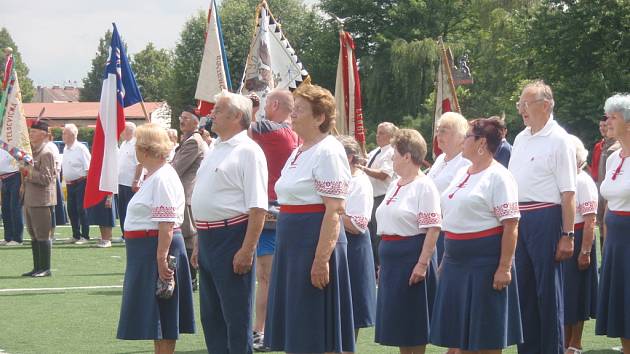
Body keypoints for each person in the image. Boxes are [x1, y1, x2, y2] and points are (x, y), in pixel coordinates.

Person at [264, 84, 355, 353]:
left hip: (313, 245)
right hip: (292, 245)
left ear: (319, 117)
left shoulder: (328, 151)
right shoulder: (299, 150)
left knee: (315, 326)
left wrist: (320, 260)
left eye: (300, 110)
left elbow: (334, 210)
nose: (292, 114)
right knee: (299, 326)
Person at [430, 118, 522, 352]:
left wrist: (504, 268)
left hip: (484, 264)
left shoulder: (499, 176)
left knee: (485, 336)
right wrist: (446, 258)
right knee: (457, 337)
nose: (463, 140)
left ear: (481, 142)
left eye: (467, 136)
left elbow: (511, 225)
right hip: (455, 262)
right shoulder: (463, 172)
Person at [190, 90, 268, 354]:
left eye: (219, 110)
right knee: (212, 318)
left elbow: (258, 207)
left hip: (232, 235)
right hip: (209, 237)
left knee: (236, 317)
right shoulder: (215, 147)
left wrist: (247, 249)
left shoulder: (248, 151)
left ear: (236, 116)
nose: (212, 113)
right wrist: (200, 243)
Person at [508, 80, 576, 354]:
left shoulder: (560, 140)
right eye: (519, 103)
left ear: (545, 105)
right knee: (523, 290)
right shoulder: (521, 138)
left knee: (547, 293)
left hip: (545, 217)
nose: (521, 109)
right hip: (520, 218)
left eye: (526, 103)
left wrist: (567, 235)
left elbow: (568, 192)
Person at [116, 123, 195, 354]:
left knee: (164, 312)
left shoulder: (162, 177)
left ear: (145, 149)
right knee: (158, 313)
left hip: (157, 247)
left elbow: (166, 223)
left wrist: (161, 258)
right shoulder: (155, 175)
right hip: (148, 248)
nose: (134, 151)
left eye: (137, 146)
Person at [374, 128, 441, 354]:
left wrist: (422, 264)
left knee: (413, 325)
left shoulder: (424, 185)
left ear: (406, 156)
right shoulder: (395, 184)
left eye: (395, 153)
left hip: (412, 259)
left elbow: (433, 228)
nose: (392, 157)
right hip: (392, 260)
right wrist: (384, 262)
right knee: (400, 326)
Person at [248, 88, 298, 351]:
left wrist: (250, 105)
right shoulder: (295, 133)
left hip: (270, 211)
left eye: (268, 103)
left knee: (266, 277)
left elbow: (242, 124)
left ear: (276, 104)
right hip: (287, 211)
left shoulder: (271, 129)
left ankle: (261, 330)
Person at [596, 93, 630, 354]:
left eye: (614, 117)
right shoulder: (612, 157)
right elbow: (608, 201)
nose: (608, 122)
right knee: (620, 303)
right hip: (615, 239)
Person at [338, 135, 376, 341]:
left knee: (351, 310)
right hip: (339, 245)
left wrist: (331, 211)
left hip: (353, 248)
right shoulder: (339, 179)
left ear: (350, 158)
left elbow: (357, 225)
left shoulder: (360, 183)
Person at [563, 134, 598, 354]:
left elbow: (590, 219)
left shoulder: (583, 181)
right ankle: (566, 342)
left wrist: (584, 251)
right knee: (566, 294)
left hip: (578, 239)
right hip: (566, 236)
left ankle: (575, 343)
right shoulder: (565, 179)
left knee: (576, 294)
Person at [170, 107, 208, 292]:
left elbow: (176, 168)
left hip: (186, 196)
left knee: (189, 237)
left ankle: (192, 279)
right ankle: (188, 277)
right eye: (181, 117)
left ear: (196, 122)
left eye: (186, 118)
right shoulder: (188, 140)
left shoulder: (194, 142)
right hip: (182, 195)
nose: (182, 121)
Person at [426, 112, 470, 265]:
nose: (438, 134)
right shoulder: (440, 159)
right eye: (438, 130)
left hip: (448, 229)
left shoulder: (465, 163)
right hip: (431, 225)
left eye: (444, 130)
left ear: (460, 136)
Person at [20, 119, 56, 277]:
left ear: (43, 134)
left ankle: (45, 268)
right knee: (34, 235)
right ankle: (37, 267)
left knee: (42, 235)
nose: (30, 134)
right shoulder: (32, 152)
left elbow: (46, 178)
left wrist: (28, 173)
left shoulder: (46, 152)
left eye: (33, 132)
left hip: (41, 200)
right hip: (30, 199)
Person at [360, 122, 397, 274]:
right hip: (371, 196)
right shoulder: (377, 151)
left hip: (382, 196)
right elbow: (365, 160)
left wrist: (363, 169)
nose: (377, 135)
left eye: (382, 133)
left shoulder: (391, 152)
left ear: (390, 136)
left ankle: (380, 266)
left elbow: (383, 175)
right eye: (377, 132)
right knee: (370, 231)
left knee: (378, 234)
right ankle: (374, 265)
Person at [61, 123, 91, 244]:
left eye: (65, 133)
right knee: (71, 209)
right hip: (69, 183)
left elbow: (88, 167)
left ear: (73, 135)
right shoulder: (65, 148)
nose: (63, 135)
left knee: (81, 209)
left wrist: (87, 184)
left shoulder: (81, 148)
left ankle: (85, 236)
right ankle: (76, 235)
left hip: (81, 182)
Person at [593, 115, 618, 251]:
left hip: (609, 190)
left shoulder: (615, 148)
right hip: (600, 185)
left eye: (606, 126)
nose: (603, 128)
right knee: (601, 220)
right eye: (601, 126)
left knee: (606, 221)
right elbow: (596, 167)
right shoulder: (600, 146)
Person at [117, 122, 142, 237]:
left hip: (130, 183)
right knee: (122, 210)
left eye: (123, 130)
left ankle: (130, 232)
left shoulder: (136, 145)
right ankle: (124, 233)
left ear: (129, 131)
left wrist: (136, 181)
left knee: (129, 209)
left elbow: (139, 164)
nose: (121, 132)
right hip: (121, 183)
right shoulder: (123, 144)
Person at [0, 149, 24, 246]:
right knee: (5, 208)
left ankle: (17, 238)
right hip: (3, 179)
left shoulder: (12, 146)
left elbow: (21, 163)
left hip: (15, 177)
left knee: (15, 208)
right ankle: (8, 237)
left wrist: (23, 183)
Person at [47, 133, 68, 227]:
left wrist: (54, 175)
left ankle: (55, 224)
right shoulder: (47, 145)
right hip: (51, 177)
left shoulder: (50, 146)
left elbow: (56, 163)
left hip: (52, 178)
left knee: (53, 204)